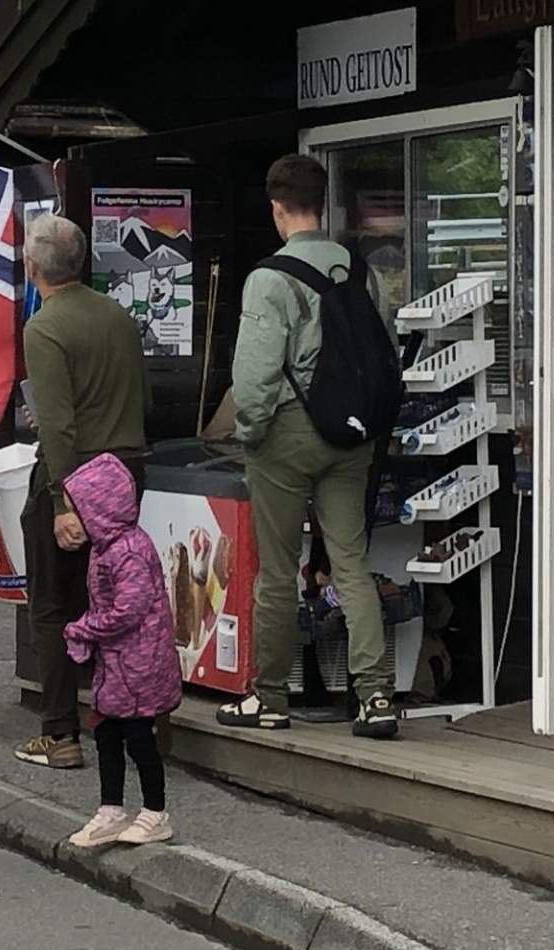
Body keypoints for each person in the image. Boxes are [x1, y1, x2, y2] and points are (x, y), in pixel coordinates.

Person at [219, 153, 397, 739]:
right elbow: (385, 348)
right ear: (323, 205)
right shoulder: (359, 269)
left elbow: (254, 380)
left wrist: (250, 435)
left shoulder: (269, 279)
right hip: (351, 437)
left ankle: (268, 697)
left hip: (288, 436)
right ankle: (374, 698)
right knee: (351, 565)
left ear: (276, 209)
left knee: (277, 571)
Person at [15, 214, 149, 770]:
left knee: (51, 604)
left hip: (76, 473)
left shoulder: (44, 327)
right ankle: (134, 716)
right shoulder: (118, 314)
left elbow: (57, 425)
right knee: (120, 600)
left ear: (31, 267)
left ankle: (60, 731)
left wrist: (62, 501)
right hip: (128, 467)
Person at [59, 454, 180, 847]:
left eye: (74, 510)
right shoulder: (105, 547)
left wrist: (83, 629)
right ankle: (111, 808)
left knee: (138, 735)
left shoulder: (127, 551)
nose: (71, 518)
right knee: (107, 731)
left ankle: (155, 812)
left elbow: (128, 610)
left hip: (139, 662)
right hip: (117, 663)